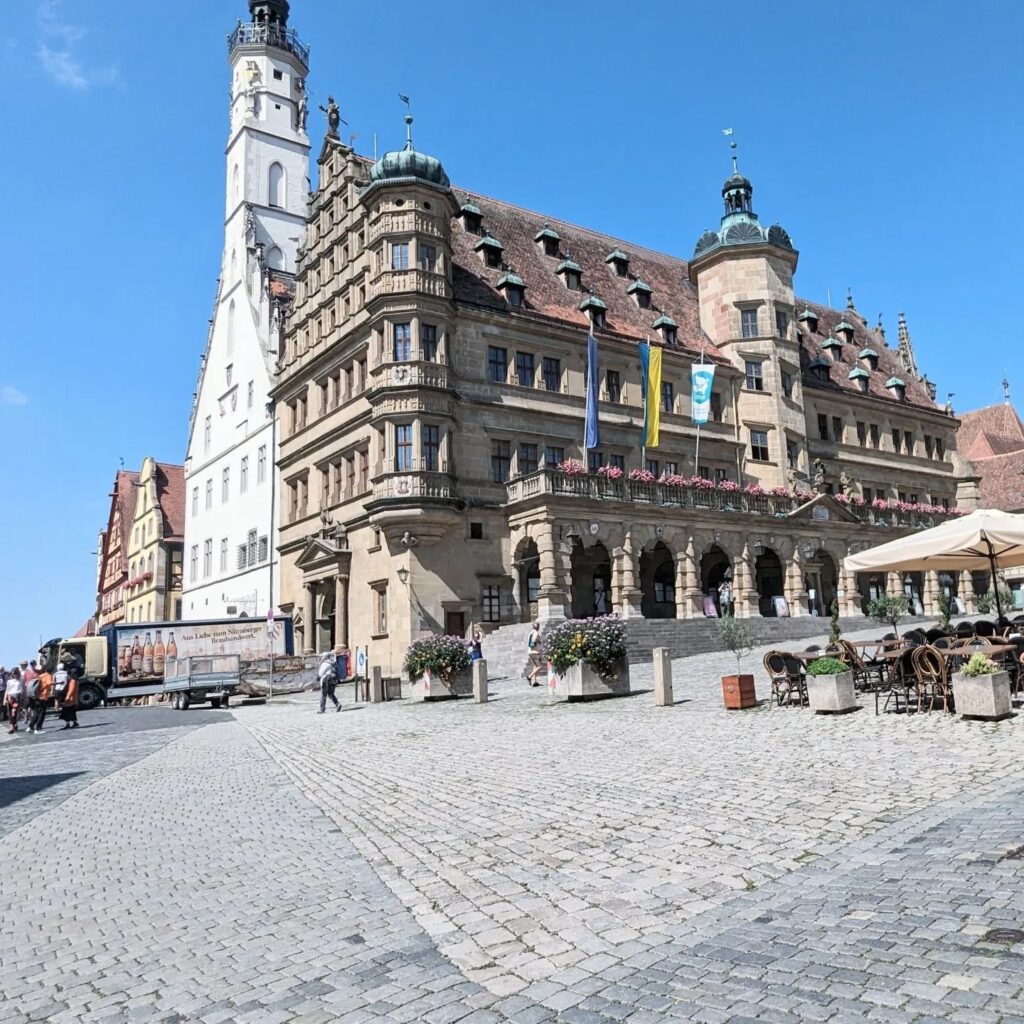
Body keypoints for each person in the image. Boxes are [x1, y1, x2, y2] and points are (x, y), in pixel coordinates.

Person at [29, 666, 53, 734]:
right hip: (43, 696)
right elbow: (49, 683)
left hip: (36, 696)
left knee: (36, 712)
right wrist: (58, 683)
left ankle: (30, 727)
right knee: (42, 713)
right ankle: (38, 729)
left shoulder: (41, 675)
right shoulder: (48, 675)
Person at [5, 667, 24, 733]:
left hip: (17, 697)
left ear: (18, 673)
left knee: (14, 712)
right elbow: (7, 690)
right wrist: (5, 699)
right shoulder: (9, 681)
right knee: (10, 713)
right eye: (13, 673)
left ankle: (12, 727)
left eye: (15, 673)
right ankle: (14, 724)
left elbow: (23, 689)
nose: (14, 674)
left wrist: (25, 697)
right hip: (10, 697)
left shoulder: (21, 680)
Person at [526, 621, 543, 687]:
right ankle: (529, 677)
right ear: (538, 627)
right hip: (534, 652)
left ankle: (534, 682)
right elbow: (533, 642)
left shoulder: (530, 633)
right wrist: (539, 641)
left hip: (530, 652)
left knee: (535, 666)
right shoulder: (536, 633)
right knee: (539, 666)